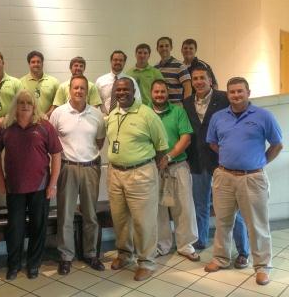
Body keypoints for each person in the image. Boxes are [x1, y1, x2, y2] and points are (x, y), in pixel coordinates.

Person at [204, 77, 283, 286]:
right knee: (222, 222)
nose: (236, 95)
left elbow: (277, 144)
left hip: (253, 178)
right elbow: (212, 143)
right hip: (224, 176)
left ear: (248, 92)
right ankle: (220, 258)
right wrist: (230, 159)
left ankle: (262, 266)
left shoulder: (263, 116)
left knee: (257, 225)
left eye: (240, 91)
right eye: (232, 92)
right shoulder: (218, 117)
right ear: (227, 94)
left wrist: (260, 161)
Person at [183, 66, 250, 267]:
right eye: (195, 78)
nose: (198, 81)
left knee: (232, 209)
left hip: (223, 162)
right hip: (197, 161)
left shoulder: (224, 98)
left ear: (210, 80)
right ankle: (201, 240)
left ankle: (242, 251)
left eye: (202, 78)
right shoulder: (186, 103)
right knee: (200, 205)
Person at [0, 90, 62, 280]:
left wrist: (52, 184)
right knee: (15, 228)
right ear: (15, 105)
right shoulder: (6, 126)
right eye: (21, 102)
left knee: (38, 226)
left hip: (40, 187)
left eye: (28, 102)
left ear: (34, 106)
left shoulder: (45, 126)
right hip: (14, 187)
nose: (24, 105)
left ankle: (33, 264)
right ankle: (13, 265)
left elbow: (56, 155)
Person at [106, 77, 168, 281]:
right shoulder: (113, 114)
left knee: (144, 221)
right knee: (120, 219)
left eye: (126, 89)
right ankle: (125, 254)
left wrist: (145, 167)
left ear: (134, 91)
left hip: (140, 173)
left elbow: (161, 148)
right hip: (115, 173)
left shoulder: (147, 114)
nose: (121, 93)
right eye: (118, 89)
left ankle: (147, 262)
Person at [50, 75, 106, 275]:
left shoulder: (97, 115)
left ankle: (91, 254)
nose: (79, 91)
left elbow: (100, 142)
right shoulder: (58, 114)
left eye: (82, 88)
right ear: (69, 90)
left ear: (87, 91)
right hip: (67, 168)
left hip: (91, 167)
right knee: (65, 214)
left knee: (90, 214)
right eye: (75, 88)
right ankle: (66, 256)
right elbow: (53, 145)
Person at [149, 79, 199, 261]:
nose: (160, 95)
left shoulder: (178, 111)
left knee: (184, 206)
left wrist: (168, 157)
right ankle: (162, 245)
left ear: (167, 93)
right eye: (156, 92)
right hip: (153, 168)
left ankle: (186, 245)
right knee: (157, 209)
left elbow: (186, 138)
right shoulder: (145, 112)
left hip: (177, 166)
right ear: (151, 93)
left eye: (163, 92)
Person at [95, 50, 141, 115]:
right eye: (115, 60)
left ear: (124, 62)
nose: (118, 62)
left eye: (121, 60)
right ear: (111, 61)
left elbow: (137, 101)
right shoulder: (100, 81)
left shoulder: (131, 81)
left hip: (124, 116)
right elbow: (95, 102)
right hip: (104, 117)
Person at [20, 50, 60, 117]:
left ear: (42, 63)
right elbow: (20, 104)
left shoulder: (54, 82)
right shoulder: (20, 82)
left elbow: (56, 103)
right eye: (33, 62)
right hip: (28, 122)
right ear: (29, 64)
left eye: (38, 62)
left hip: (48, 121)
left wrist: (46, 116)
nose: (36, 64)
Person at [155, 37, 191, 104]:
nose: (164, 48)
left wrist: (186, 106)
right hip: (160, 106)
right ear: (157, 49)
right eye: (161, 46)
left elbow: (188, 88)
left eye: (167, 46)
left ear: (171, 48)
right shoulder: (155, 68)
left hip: (176, 106)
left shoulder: (180, 66)